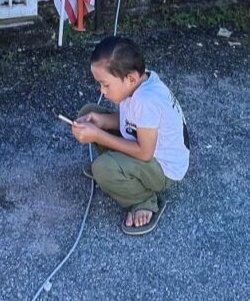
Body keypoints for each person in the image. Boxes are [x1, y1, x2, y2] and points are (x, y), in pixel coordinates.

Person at [70, 36, 189, 237]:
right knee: (89, 113)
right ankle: (117, 171)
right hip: (146, 148)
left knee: (102, 168)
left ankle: (143, 200)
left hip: (162, 168)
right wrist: (101, 122)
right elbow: (132, 122)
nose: (102, 91)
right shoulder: (140, 82)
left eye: (105, 85)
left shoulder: (146, 100)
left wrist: (98, 135)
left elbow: (144, 153)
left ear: (131, 79)